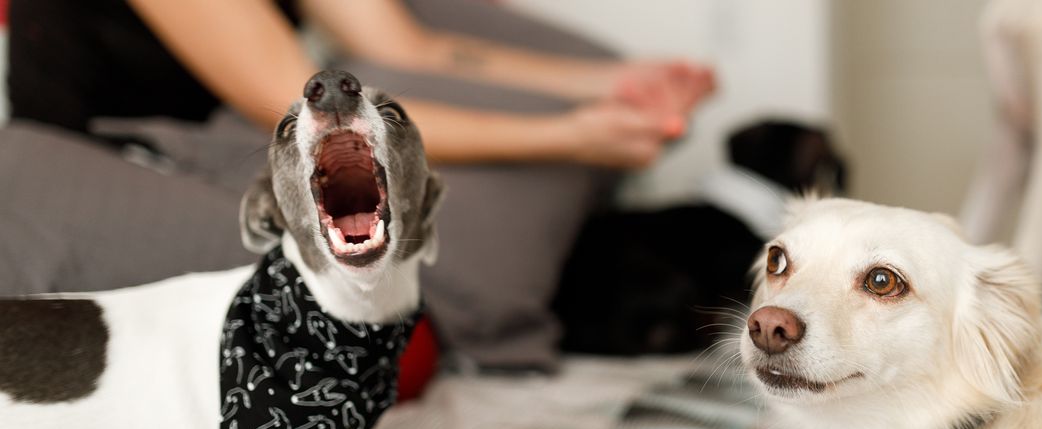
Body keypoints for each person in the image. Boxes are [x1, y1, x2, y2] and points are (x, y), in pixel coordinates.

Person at [2, 0, 715, 370]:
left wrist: (611, 87)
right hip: (102, 164)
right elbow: (293, 102)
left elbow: (410, 48)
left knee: (373, 282)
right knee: (348, 309)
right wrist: (568, 134)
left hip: (223, 140)